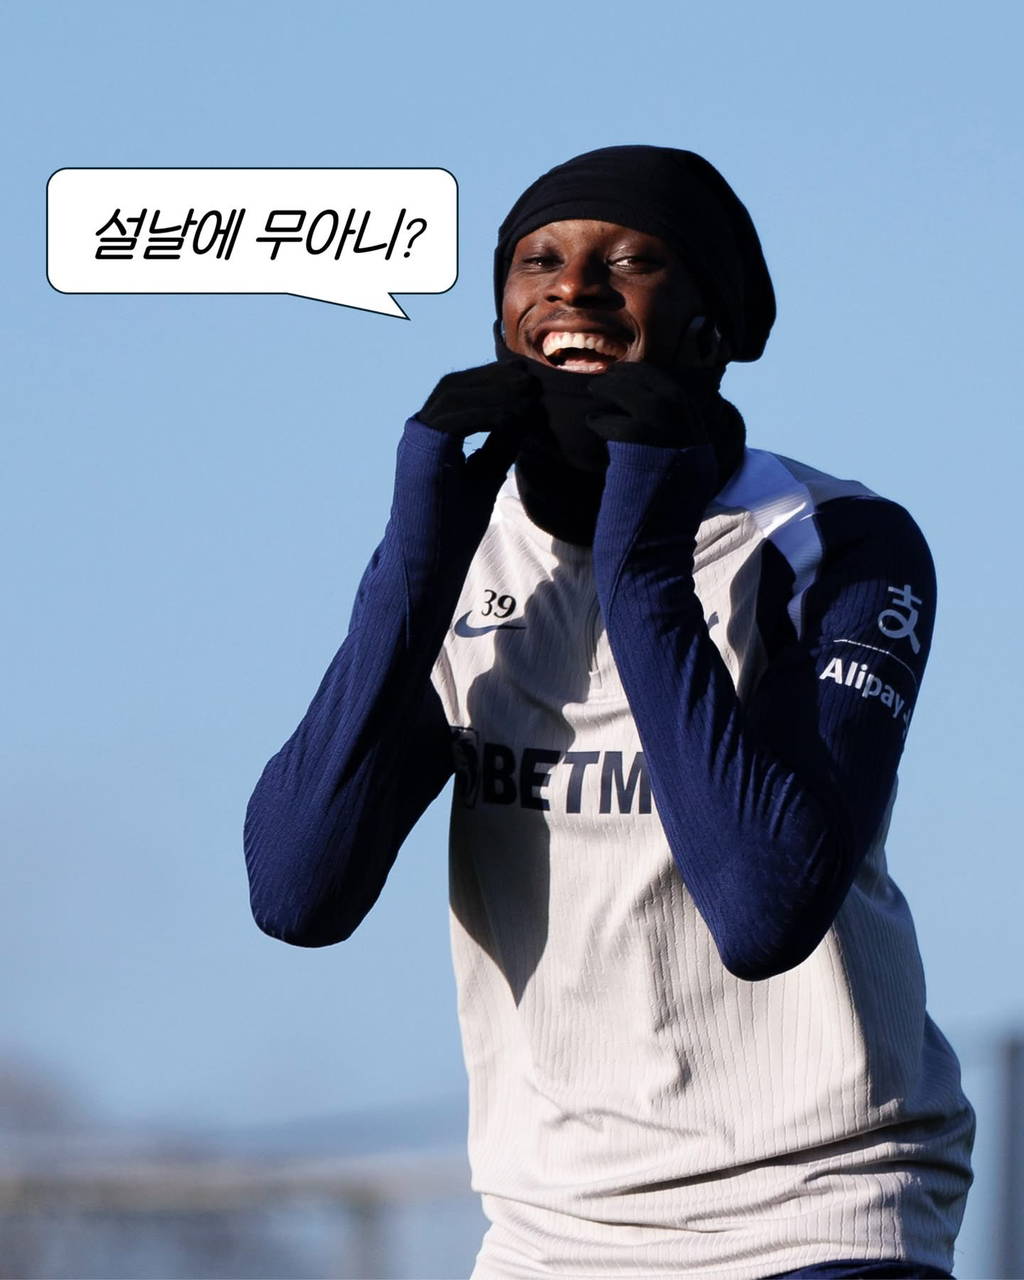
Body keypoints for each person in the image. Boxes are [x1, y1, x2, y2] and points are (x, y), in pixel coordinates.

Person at [244, 146, 974, 1279]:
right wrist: (412, 570)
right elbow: (299, 891)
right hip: (549, 1237)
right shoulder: (468, 556)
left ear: (713, 324)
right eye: (538, 261)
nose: (574, 288)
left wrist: (641, 569)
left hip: (817, 1214)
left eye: (631, 261)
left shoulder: (836, 541)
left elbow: (764, 909)